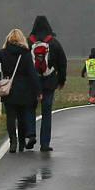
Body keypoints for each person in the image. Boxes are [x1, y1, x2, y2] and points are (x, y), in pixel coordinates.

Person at [0, 29, 40, 153]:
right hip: (24, 90)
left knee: (10, 117)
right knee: (22, 117)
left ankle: (13, 142)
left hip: (9, 89)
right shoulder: (25, 54)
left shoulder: (3, 53)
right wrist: (38, 91)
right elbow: (32, 74)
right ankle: (22, 143)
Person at [26, 16, 66, 152]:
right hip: (49, 82)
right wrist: (61, 81)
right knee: (46, 111)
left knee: (30, 108)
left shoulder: (28, 42)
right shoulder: (54, 43)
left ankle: (31, 134)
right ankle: (45, 143)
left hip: (32, 82)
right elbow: (62, 63)